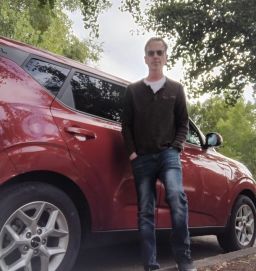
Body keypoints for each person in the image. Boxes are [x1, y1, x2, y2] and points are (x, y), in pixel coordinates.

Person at [121, 37, 197, 271]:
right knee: (145, 211)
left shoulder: (176, 89)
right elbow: (126, 125)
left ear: (165, 57)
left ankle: (184, 260)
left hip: (168, 156)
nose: (155, 56)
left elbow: (183, 123)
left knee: (176, 197)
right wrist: (132, 153)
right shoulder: (133, 91)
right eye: (151, 53)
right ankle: (150, 265)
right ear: (145, 58)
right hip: (142, 159)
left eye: (159, 53)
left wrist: (175, 147)